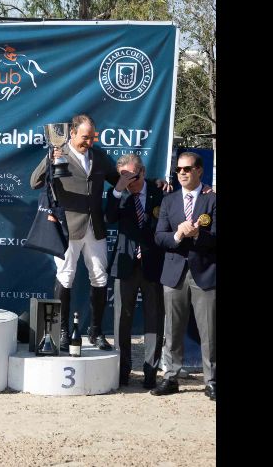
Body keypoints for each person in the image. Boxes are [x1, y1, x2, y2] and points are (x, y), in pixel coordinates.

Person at [30, 114, 120, 351]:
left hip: (96, 227)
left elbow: (119, 180)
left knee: (100, 277)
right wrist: (50, 159)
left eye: (92, 137)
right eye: (84, 137)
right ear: (72, 133)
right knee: (65, 276)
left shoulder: (99, 156)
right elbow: (34, 182)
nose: (89, 142)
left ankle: (96, 331)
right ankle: (62, 331)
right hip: (67, 226)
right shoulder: (59, 153)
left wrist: (152, 183)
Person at [151, 151, 216, 401]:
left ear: (199, 170)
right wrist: (178, 235)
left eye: (187, 169)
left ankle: (211, 380)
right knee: (173, 328)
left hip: (205, 272)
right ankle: (171, 377)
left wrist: (198, 235)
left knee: (209, 330)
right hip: (174, 271)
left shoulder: (213, 200)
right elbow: (160, 236)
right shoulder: (169, 201)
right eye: (179, 169)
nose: (182, 173)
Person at [105, 154, 165, 388]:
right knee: (122, 320)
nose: (130, 180)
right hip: (126, 264)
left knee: (154, 319)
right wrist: (119, 189)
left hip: (153, 264)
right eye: (124, 176)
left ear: (142, 171)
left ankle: (151, 373)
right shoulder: (119, 196)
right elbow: (109, 218)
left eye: (133, 175)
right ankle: (123, 371)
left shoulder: (159, 191)